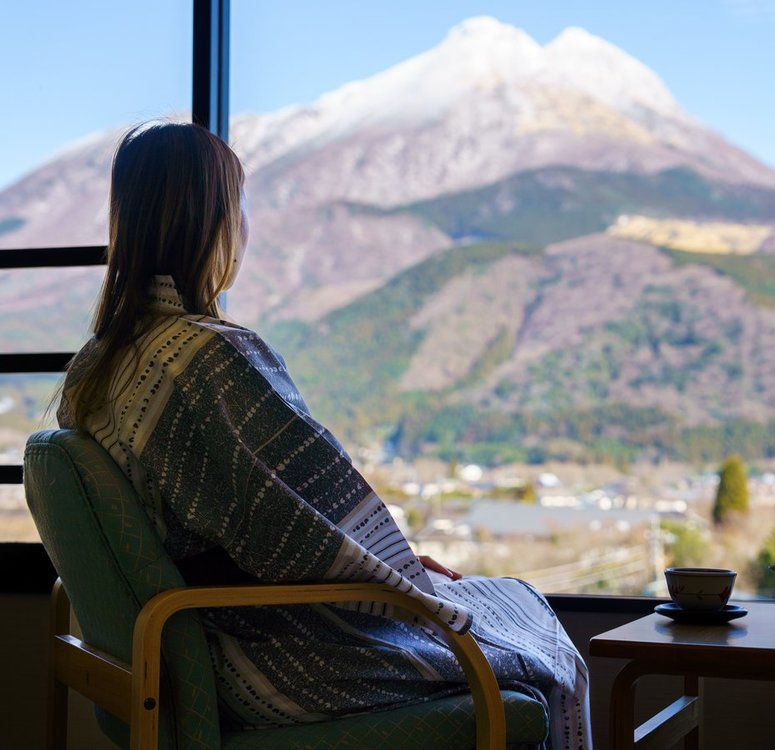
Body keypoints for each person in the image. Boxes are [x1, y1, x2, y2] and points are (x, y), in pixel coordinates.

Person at [57, 121, 591, 748]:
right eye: (238, 206)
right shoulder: (209, 359)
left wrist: (379, 566)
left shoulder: (97, 365)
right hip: (268, 658)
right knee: (538, 642)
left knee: (501, 603)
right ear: (212, 223)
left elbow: (276, 528)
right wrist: (392, 577)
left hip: (181, 651)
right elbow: (298, 528)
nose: (245, 227)